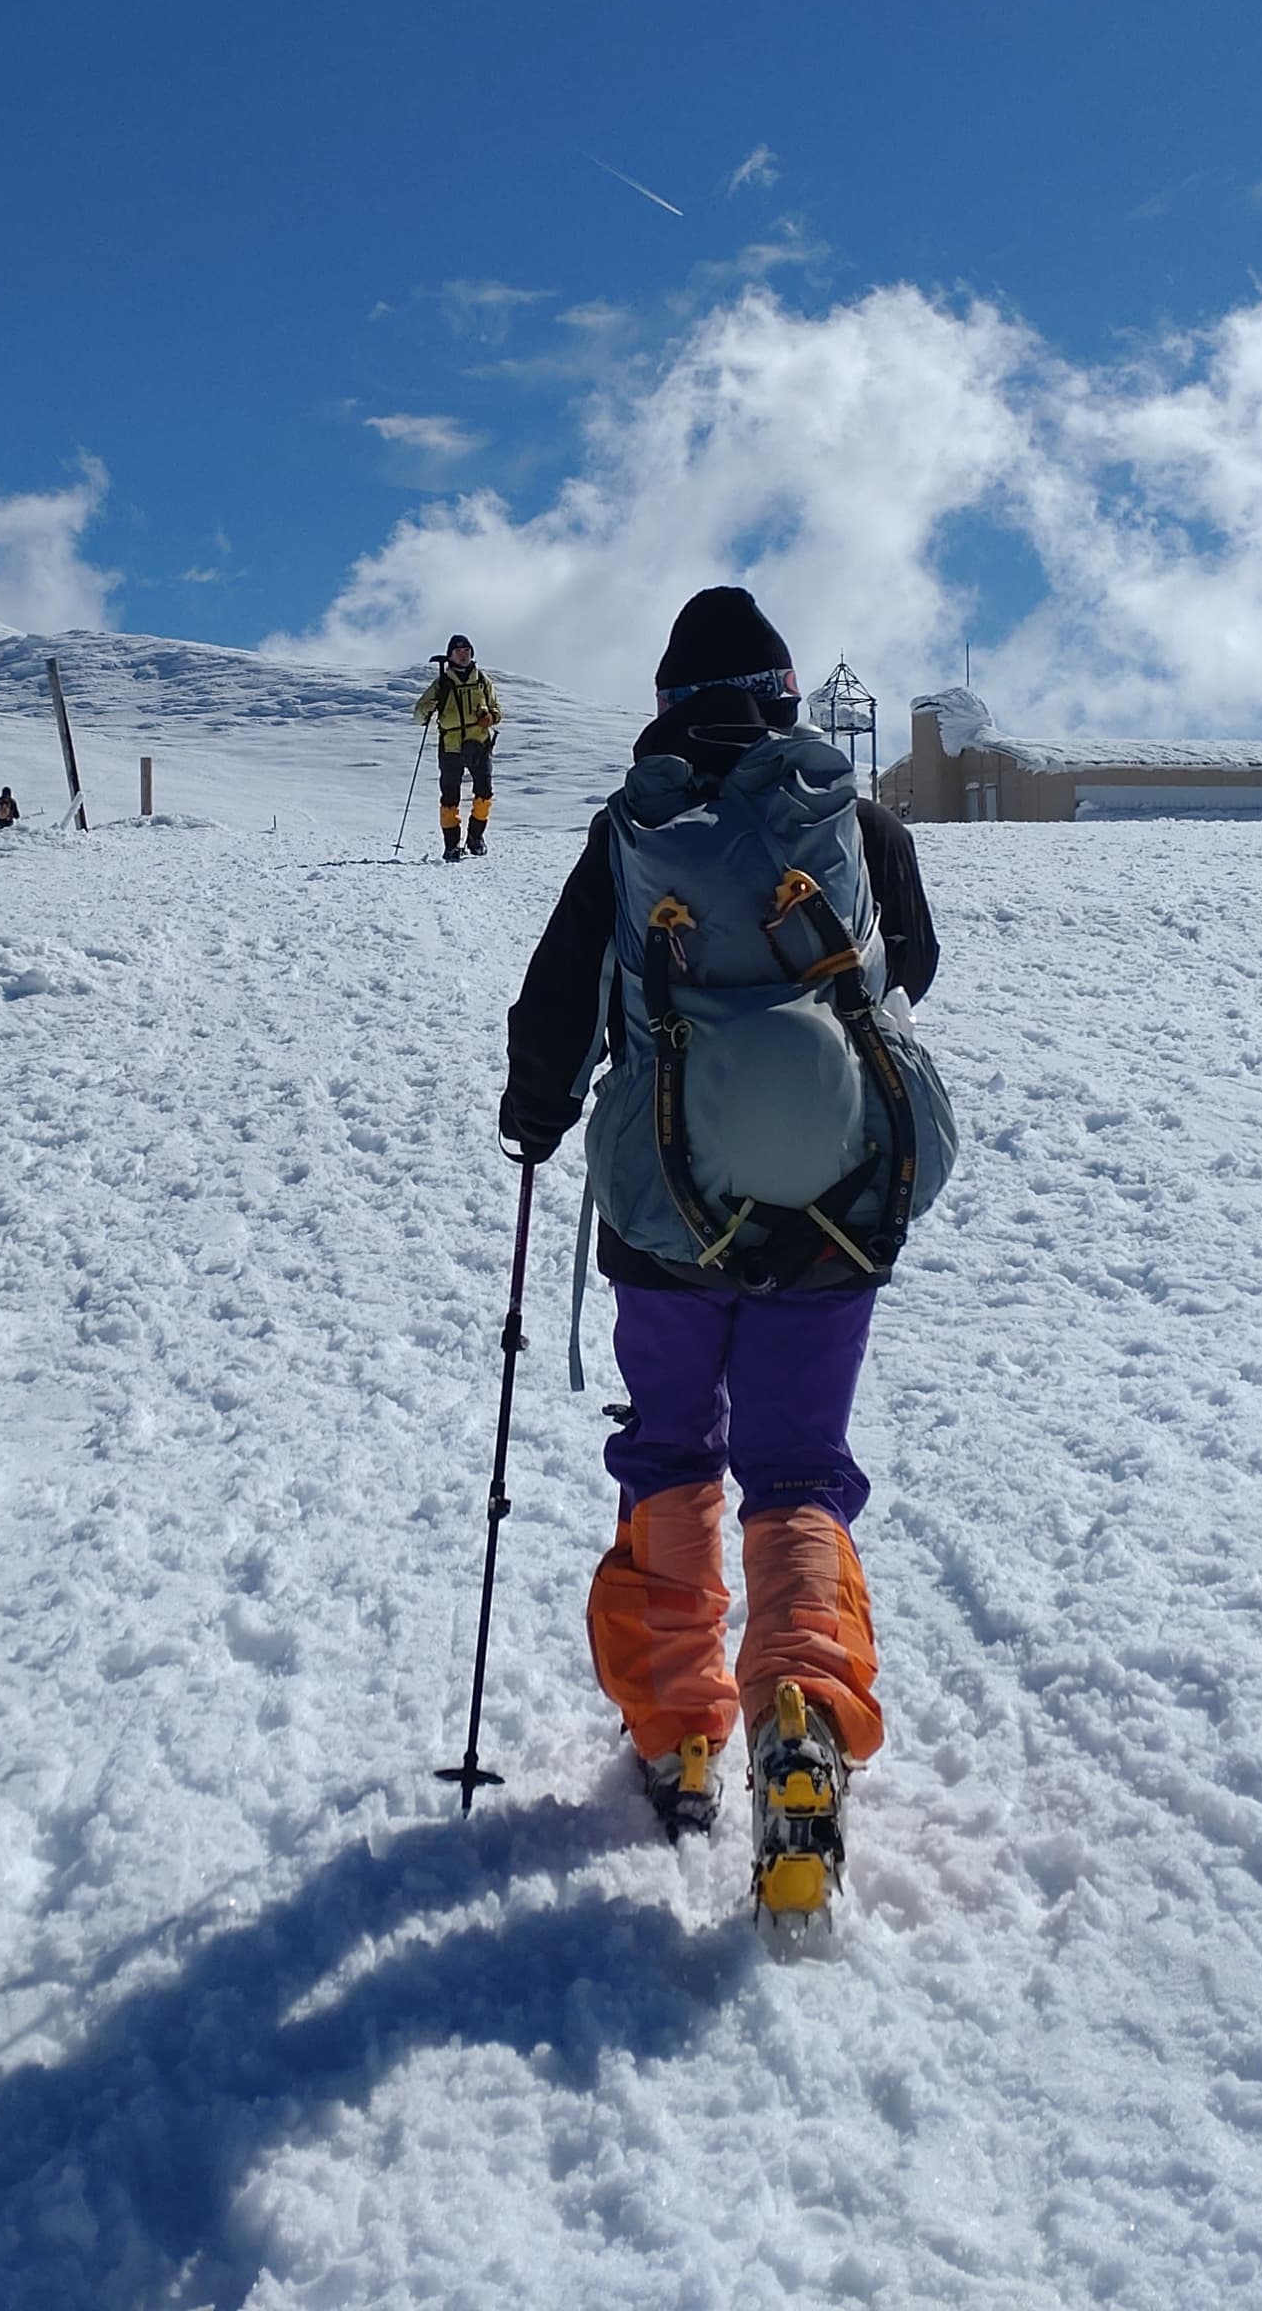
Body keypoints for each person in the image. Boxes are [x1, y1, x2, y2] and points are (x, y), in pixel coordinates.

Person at [496, 587, 942, 1911]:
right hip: (835, 1206)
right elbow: (912, 966)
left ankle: (680, 1731)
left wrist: (537, 1115)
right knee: (796, 1466)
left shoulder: (632, 829)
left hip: (663, 1214)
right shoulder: (853, 820)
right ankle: (800, 1709)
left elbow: (557, 1004)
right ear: (789, 697)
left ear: (666, 706)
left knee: (674, 1449)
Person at [413, 635, 503, 861]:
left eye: (466, 650)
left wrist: (491, 717)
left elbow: (497, 709)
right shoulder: (442, 683)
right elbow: (419, 716)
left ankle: (475, 838)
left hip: (479, 744)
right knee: (450, 797)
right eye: (458, 651)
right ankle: (452, 845)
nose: (463, 654)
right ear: (450, 655)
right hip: (451, 745)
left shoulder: (482, 680)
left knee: (484, 793)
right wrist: (427, 708)